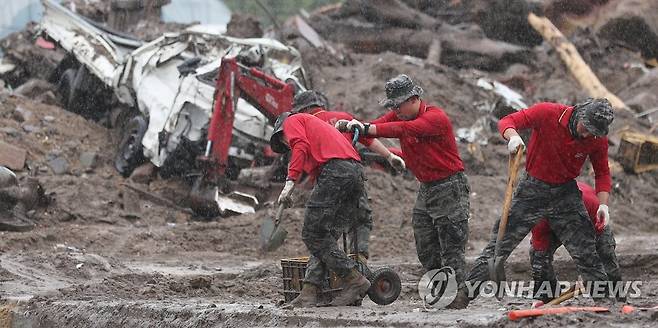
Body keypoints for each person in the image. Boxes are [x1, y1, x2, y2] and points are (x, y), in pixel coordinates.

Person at [451, 98, 615, 308]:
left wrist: (603, 204)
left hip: (566, 193)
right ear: (580, 113)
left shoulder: (596, 137)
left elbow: (602, 172)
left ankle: (605, 300)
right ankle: (464, 295)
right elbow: (507, 121)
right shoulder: (547, 113)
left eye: (593, 132)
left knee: (585, 250)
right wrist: (513, 137)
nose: (586, 134)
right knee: (499, 246)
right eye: (586, 128)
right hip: (532, 190)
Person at [336, 74, 471, 308]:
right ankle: (441, 288)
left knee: (451, 244)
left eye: (398, 105)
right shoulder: (401, 113)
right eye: (393, 106)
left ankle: (457, 294)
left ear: (414, 99)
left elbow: (400, 129)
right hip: (427, 187)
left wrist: (366, 127)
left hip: (449, 186)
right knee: (426, 243)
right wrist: (352, 125)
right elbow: (379, 126)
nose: (395, 110)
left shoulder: (435, 118)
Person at [290, 89, 406, 264]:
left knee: (323, 231)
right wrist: (389, 156)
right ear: (319, 105)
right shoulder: (342, 116)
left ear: (302, 110)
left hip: (328, 179)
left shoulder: (304, 124)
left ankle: (327, 269)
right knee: (361, 218)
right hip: (353, 173)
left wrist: (293, 184)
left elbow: (305, 159)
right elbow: (368, 139)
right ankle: (360, 260)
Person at [270, 112, 371, 308]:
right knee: (325, 238)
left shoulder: (292, 121)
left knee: (312, 234)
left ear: (282, 132)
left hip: (337, 172)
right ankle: (310, 291)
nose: (287, 145)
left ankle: (355, 279)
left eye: (284, 142)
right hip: (355, 174)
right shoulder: (318, 132)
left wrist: (289, 184)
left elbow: (300, 145)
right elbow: (317, 174)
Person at [530, 181, 622, 303]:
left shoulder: (589, 204)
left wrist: (588, 272)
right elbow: (539, 253)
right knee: (539, 259)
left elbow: (591, 250)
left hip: (590, 223)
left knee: (606, 256)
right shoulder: (539, 219)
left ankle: (616, 299)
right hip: (552, 228)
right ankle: (548, 297)